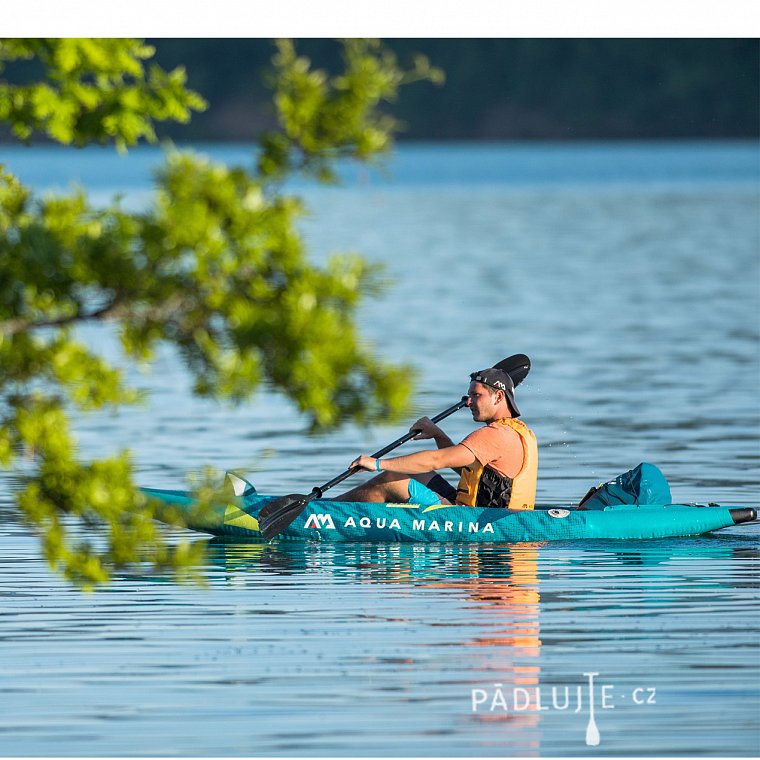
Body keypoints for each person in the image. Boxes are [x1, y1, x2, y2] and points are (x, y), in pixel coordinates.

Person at [337, 368, 538, 509]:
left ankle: (324, 511)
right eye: (468, 396)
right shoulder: (516, 432)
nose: (469, 402)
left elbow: (436, 460)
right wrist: (438, 435)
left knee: (390, 479)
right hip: (483, 512)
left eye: (476, 395)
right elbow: (468, 470)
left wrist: (378, 463)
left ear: (499, 397)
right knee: (418, 474)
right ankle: (330, 507)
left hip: (472, 519)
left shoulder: (494, 434)